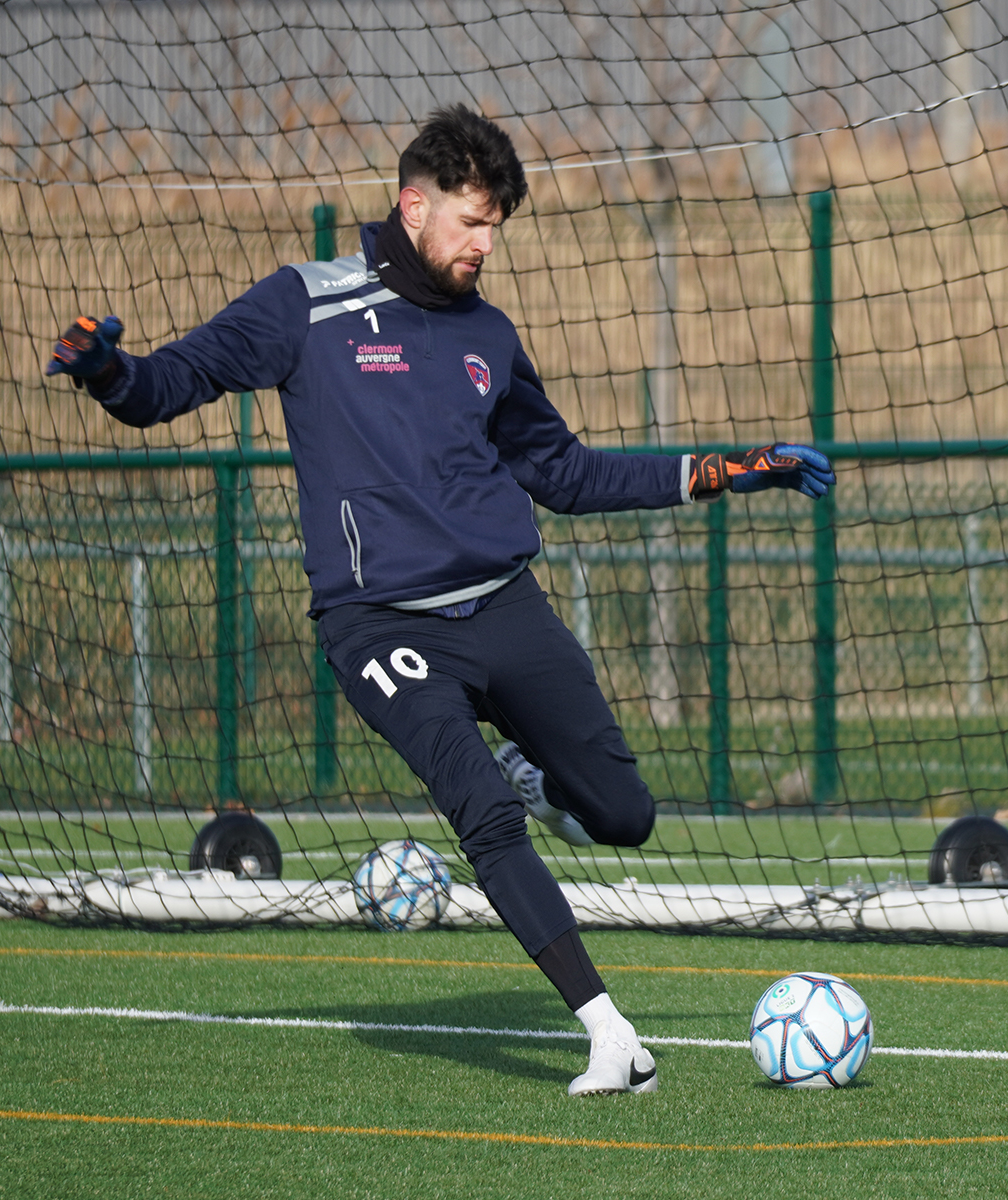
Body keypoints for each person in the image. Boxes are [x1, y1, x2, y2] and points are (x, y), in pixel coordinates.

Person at [45, 104, 835, 1096]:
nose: (485, 243)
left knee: (624, 815)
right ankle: (608, 1036)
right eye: (472, 221)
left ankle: (537, 776)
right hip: (378, 625)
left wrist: (728, 470)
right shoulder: (305, 303)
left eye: (495, 225)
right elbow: (169, 384)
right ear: (413, 207)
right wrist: (108, 372)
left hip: (502, 604)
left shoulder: (489, 336)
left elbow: (567, 474)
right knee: (483, 812)